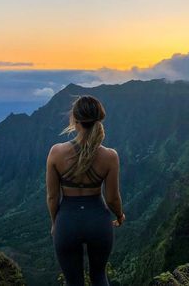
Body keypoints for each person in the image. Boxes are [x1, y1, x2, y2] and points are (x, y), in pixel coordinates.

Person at [46, 94, 126, 286]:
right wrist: (120, 215)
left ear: (74, 119)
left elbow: (52, 196)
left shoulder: (56, 152)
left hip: (67, 222)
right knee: (99, 276)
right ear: (98, 119)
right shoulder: (110, 156)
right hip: (98, 221)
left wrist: (55, 223)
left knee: (73, 281)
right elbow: (112, 197)